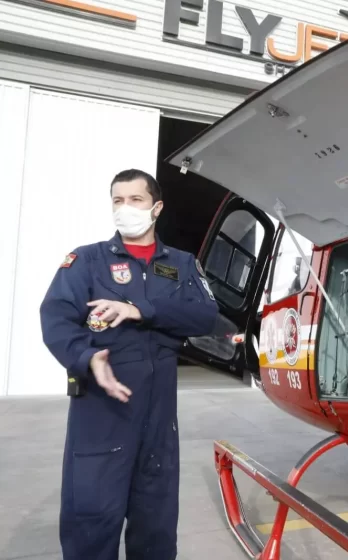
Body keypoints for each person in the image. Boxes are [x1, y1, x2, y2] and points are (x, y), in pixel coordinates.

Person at [39, 169, 219, 560]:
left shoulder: (183, 264)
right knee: (91, 519)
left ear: (156, 208)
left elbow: (205, 316)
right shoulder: (87, 260)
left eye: (135, 200)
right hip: (101, 412)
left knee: (155, 525)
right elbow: (54, 318)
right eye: (117, 201)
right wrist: (87, 358)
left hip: (158, 417)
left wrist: (141, 309)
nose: (125, 209)